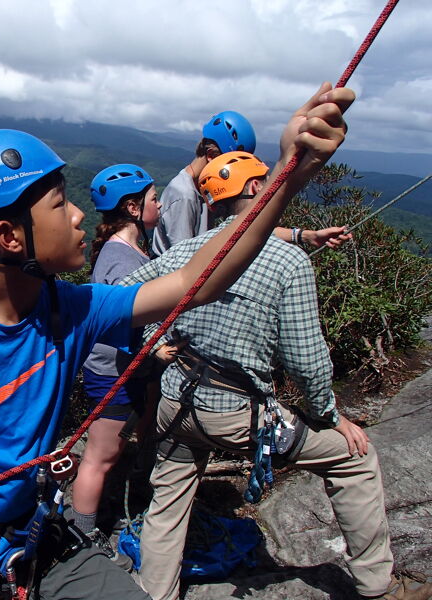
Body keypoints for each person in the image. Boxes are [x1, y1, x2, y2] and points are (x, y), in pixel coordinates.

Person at [0, 82, 353, 600]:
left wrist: (287, 177)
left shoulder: (73, 307)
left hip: (41, 541)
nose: (77, 216)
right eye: (58, 204)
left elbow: (195, 281)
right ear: (9, 236)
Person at [122, 151, 432, 600]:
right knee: (353, 458)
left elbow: (123, 293)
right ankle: (378, 586)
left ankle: (154, 593)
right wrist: (329, 416)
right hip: (235, 412)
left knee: (168, 500)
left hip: (177, 402)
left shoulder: (190, 251)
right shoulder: (287, 263)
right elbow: (307, 360)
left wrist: (156, 336)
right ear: (253, 189)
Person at [69, 164, 164, 544]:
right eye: (154, 199)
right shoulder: (123, 258)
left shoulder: (124, 249)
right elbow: (123, 319)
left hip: (120, 368)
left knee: (110, 452)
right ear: (133, 208)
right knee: (100, 456)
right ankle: (81, 537)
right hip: (114, 372)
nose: (160, 205)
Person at [151, 110, 350, 255]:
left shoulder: (208, 190)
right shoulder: (183, 195)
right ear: (211, 155)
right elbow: (182, 259)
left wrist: (305, 236)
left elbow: (241, 227)